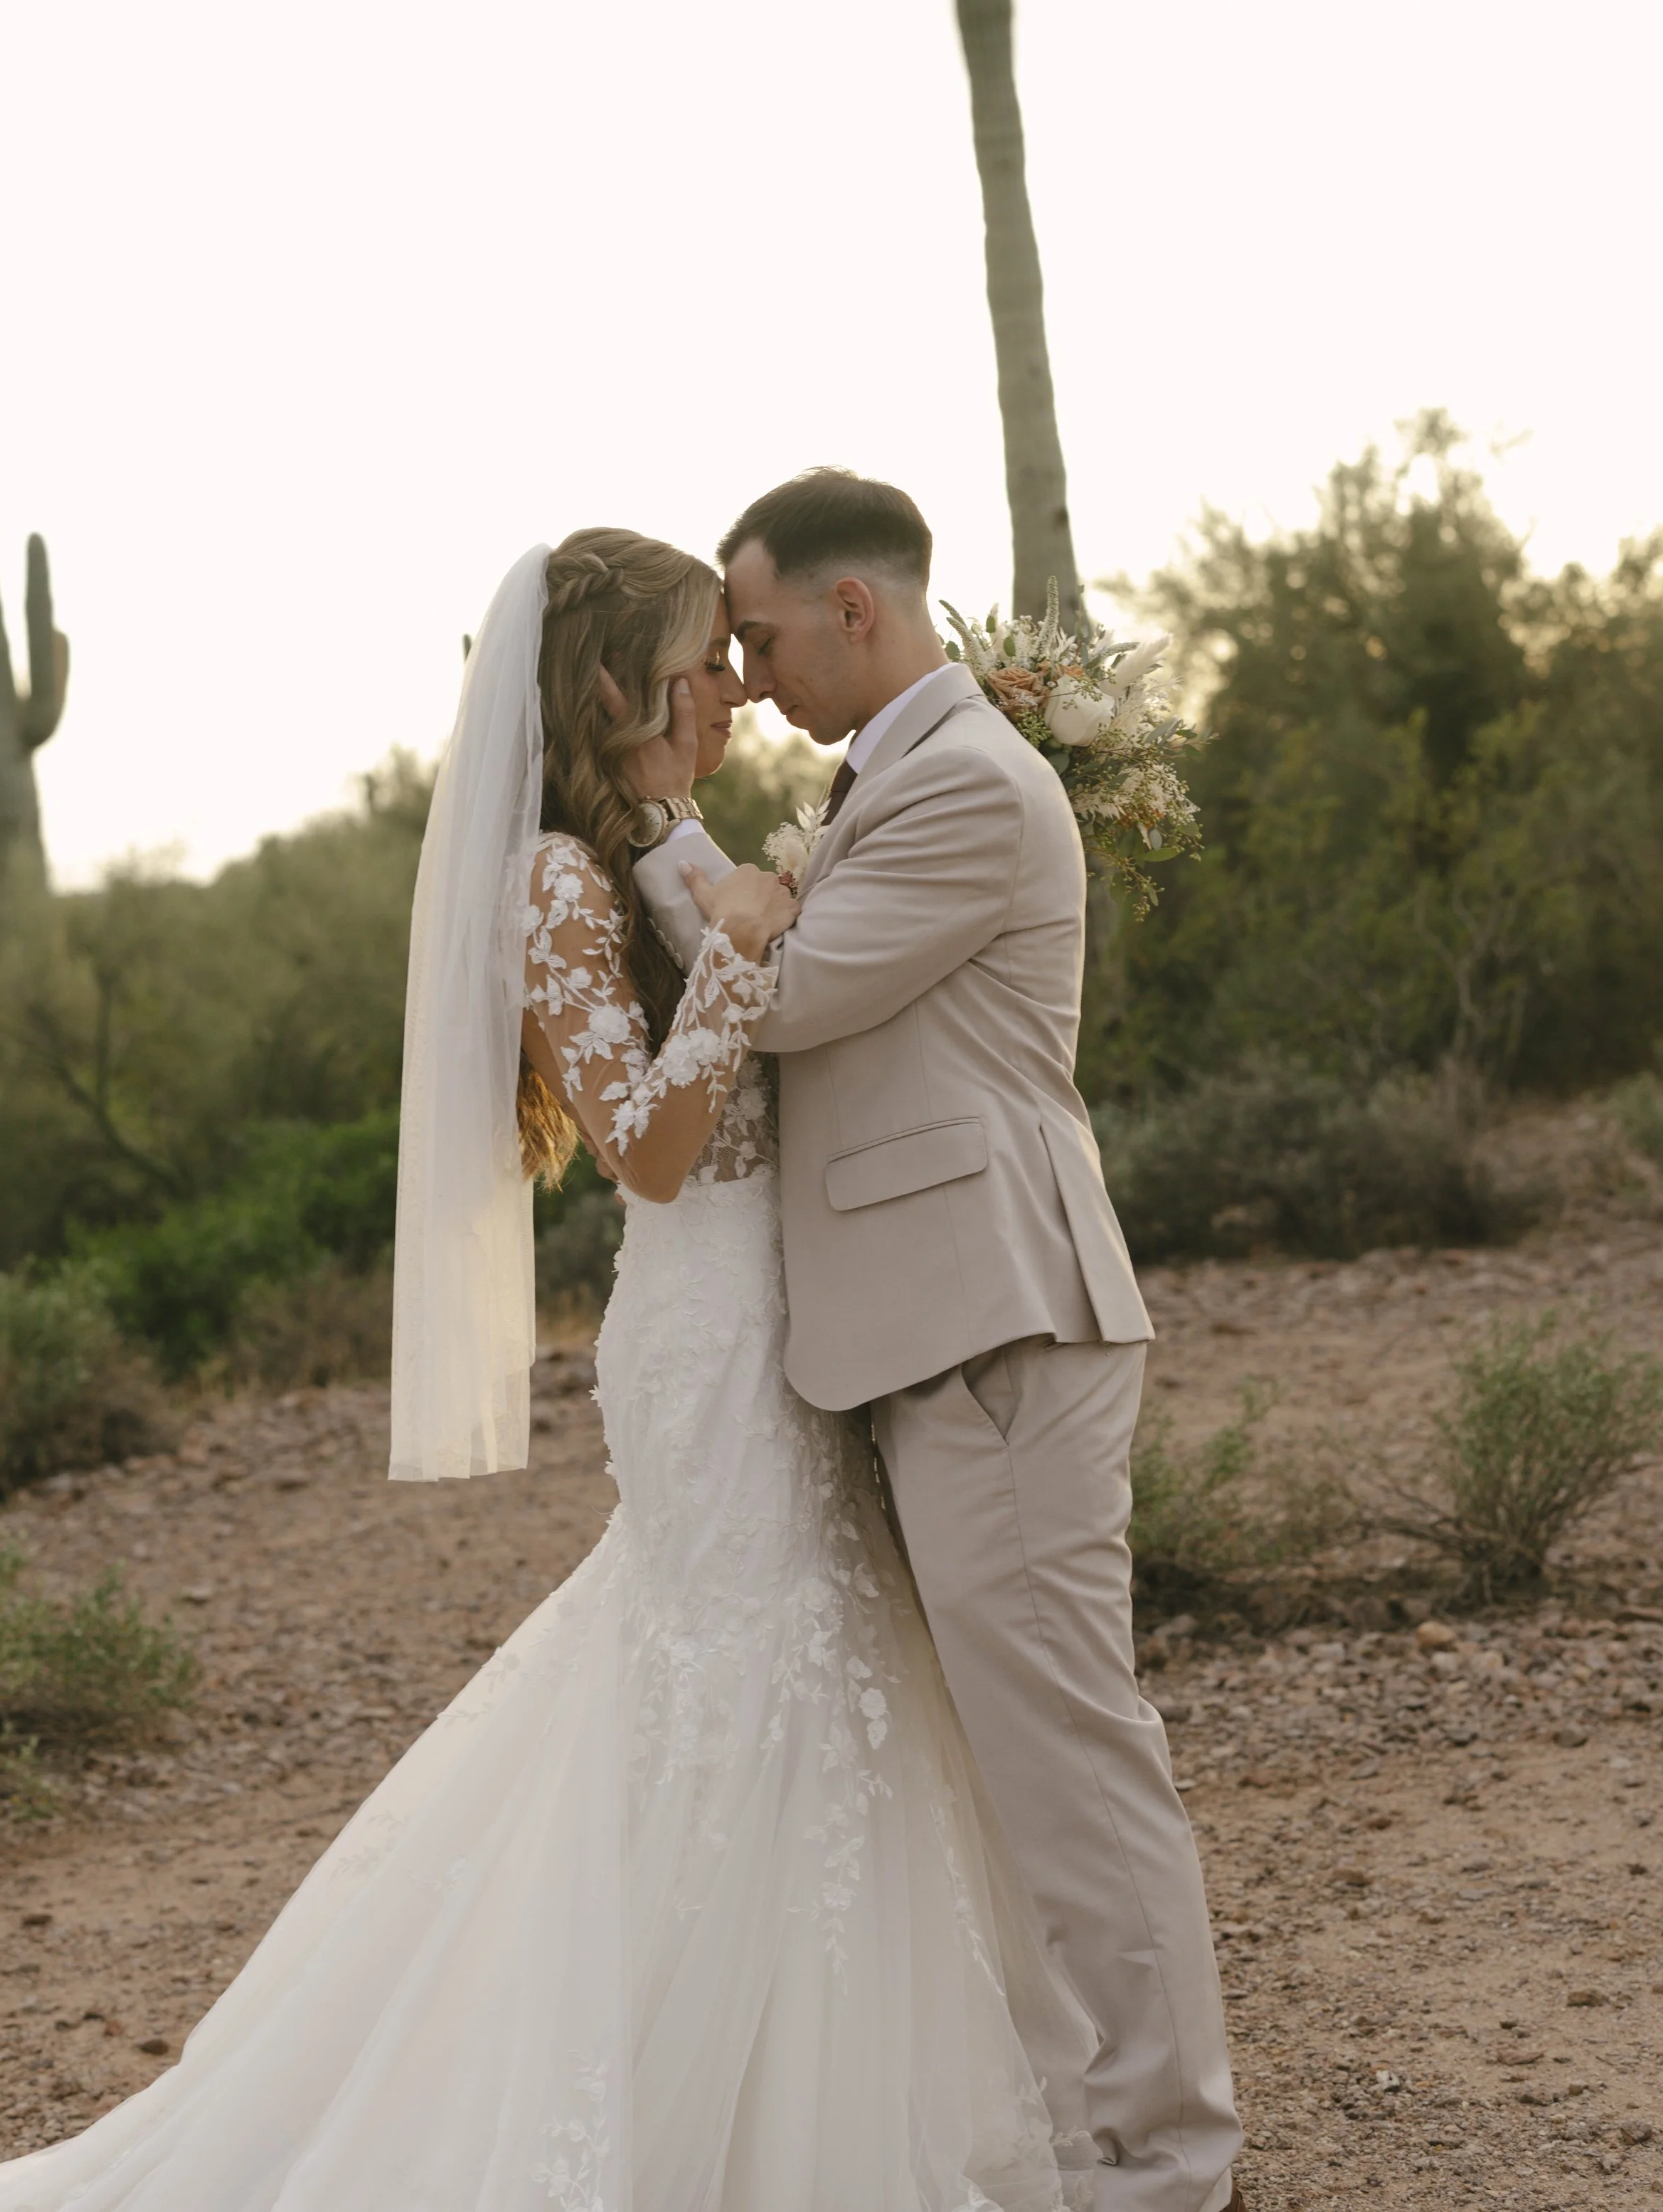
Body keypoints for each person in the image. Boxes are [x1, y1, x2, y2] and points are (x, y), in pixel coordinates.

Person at [0, 528, 1093, 2212]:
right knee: (734, 1672)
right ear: (610, 687)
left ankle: (814, 2115)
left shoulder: (671, 836)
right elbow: (647, 1150)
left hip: (788, 1324)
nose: (732, 688)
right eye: (699, 660)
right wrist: (747, 946)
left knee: (818, 1678)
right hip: (704, 1342)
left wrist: (763, 915)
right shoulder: (551, 880)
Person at [632, 472, 1241, 2212]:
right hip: (937, 1325)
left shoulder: (969, 783)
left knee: (1066, 1750)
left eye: (754, 636)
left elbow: (799, 993)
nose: (742, 679)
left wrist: (661, 830)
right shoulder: (893, 779)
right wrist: (739, 873)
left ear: (851, 610)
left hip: (996, 1321)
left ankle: (1166, 2157)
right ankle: (1087, 2117)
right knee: (1008, 1750)